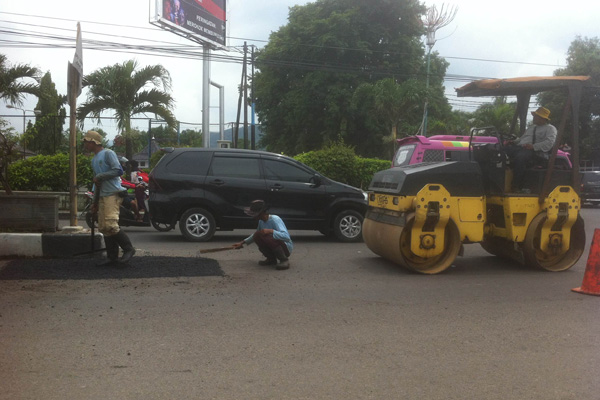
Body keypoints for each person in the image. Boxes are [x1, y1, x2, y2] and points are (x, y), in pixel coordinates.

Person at [82, 130, 136, 267]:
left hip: (113, 193)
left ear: (94, 142)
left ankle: (129, 249)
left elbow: (118, 170)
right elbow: (97, 183)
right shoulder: (94, 159)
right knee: (103, 227)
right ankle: (112, 257)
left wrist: (101, 176)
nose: (85, 144)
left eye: (87, 141)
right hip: (102, 195)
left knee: (111, 224)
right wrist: (94, 202)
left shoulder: (108, 153)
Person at [505, 106, 557, 192]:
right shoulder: (532, 127)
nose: (534, 118)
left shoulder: (550, 129)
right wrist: (513, 142)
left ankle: (516, 185)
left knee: (520, 158)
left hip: (536, 152)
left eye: (536, 116)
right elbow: (522, 139)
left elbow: (549, 143)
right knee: (500, 151)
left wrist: (533, 146)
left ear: (542, 118)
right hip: (522, 148)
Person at [232, 200, 293, 270]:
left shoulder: (275, 219)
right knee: (258, 236)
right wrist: (242, 243)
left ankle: (284, 260)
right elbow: (256, 235)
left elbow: (286, 237)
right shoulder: (261, 221)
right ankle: (271, 259)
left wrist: (271, 231)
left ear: (261, 213)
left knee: (267, 236)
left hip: (285, 247)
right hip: (274, 245)